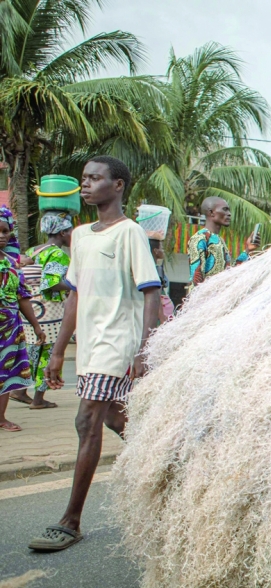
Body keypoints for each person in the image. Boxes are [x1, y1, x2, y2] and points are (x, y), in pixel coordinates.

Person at [28, 156, 161, 552]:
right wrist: (57, 351)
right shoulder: (81, 235)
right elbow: (74, 295)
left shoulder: (130, 233)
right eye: (84, 178)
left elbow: (151, 290)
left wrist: (145, 347)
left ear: (117, 185)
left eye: (95, 178)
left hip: (117, 343)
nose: (85, 184)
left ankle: (70, 521)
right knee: (117, 419)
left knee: (87, 420)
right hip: (89, 346)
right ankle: (170, 464)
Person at [10, 211, 73, 409]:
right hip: (50, 309)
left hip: (31, 308)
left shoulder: (33, 250)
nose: (72, 234)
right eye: (70, 230)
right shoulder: (58, 254)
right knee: (49, 351)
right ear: (62, 232)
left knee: (33, 349)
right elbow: (51, 283)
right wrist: (76, 285)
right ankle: (39, 399)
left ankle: (20, 391)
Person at [0, 215, 47, 431]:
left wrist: (36, 326)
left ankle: (1, 418)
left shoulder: (12, 263)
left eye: (5, 231)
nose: (2, 236)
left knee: (6, 372)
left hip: (10, 329)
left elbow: (22, 297)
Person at [187, 197, 255, 288]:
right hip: (207, 296)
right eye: (225, 209)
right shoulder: (199, 239)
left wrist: (248, 249)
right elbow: (196, 280)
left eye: (229, 210)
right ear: (211, 212)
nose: (229, 214)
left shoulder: (220, 240)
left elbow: (230, 273)